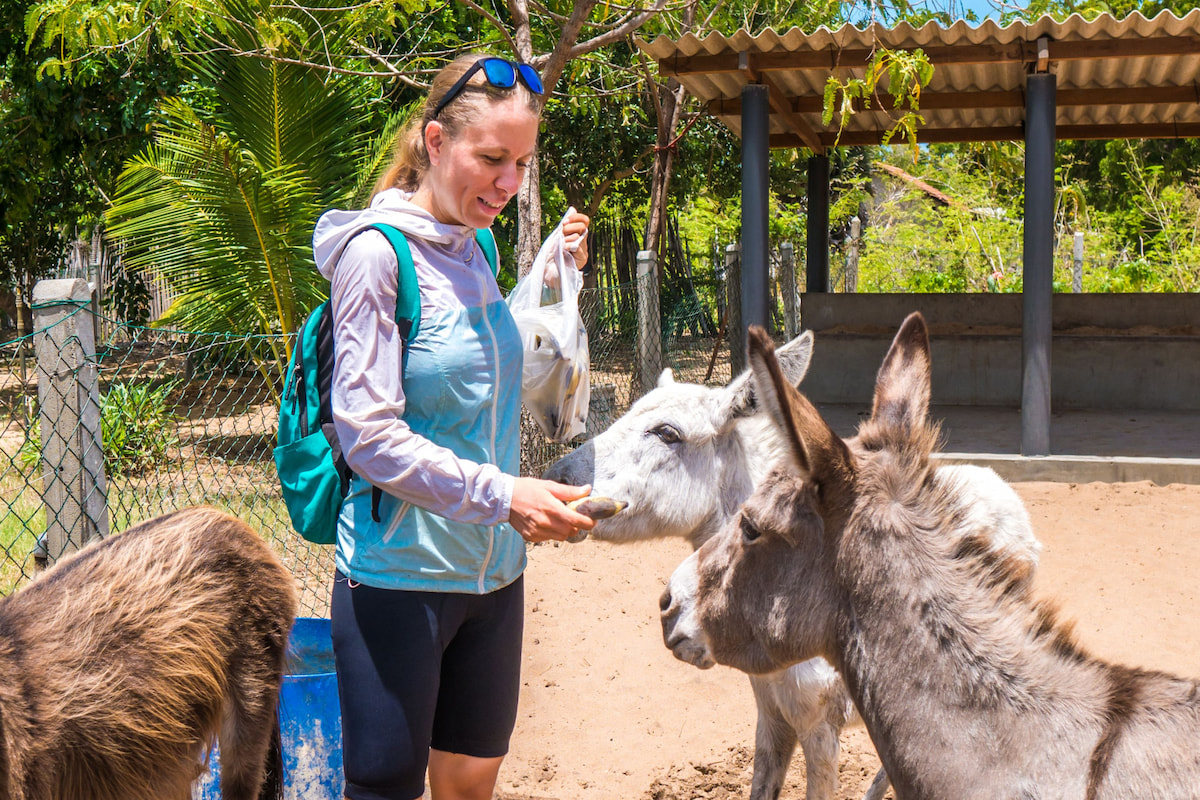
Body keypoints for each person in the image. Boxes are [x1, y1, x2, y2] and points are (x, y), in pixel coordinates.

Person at [311, 53, 596, 800]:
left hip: (494, 576)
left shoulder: (479, 246)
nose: (509, 183)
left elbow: (481, 364)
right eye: (492, 159)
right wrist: (504, 495)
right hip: (399, 582)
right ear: (436, 142)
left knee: (470, 787)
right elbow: (369, 438)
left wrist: (553, 277)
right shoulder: (375, 257)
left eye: (522, 164)